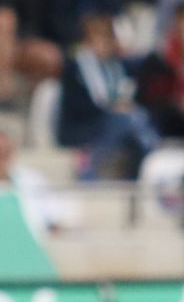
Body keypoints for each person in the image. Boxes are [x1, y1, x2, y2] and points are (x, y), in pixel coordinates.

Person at [56, 14, 159, 180]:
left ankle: (142, 170)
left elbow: (149, 63)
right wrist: (111, 109)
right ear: (86, 42)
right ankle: (88, 172)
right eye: (98, 40)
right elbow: (79, 107)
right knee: (122, 120)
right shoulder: (74, 69)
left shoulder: (116, 66)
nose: (103, 45)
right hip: (81, 127)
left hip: (110, 124)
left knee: (138, 115)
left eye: (107, 40)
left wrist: (120, 107)